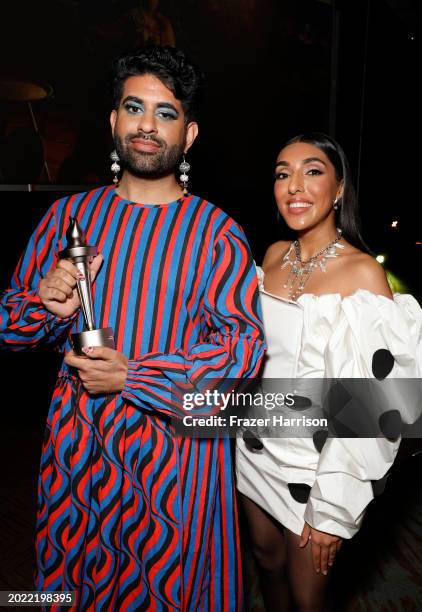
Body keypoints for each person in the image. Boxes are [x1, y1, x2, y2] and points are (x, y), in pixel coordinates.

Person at [0, 45, 265, 610]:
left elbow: (242, 351)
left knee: (166, 591)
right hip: (77, 456)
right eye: (134, 108)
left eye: (166, 113)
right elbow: (9, 327)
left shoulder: (217, 233)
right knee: (66, 590)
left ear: (188, 135)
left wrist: (135, 376)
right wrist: (47, 306)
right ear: (114, 121)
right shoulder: (68, 218)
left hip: (174, 465)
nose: (148, 125)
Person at [236, 133, 422, 611]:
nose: (295, 186)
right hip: (256, 443)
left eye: (312, 171)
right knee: (266, 562)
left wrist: (334, 508)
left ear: (339, 188)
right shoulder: (273, 255)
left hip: (317, 464)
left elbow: (381, 404)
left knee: (309, 596)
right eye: (283, 173)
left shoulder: (363, 275)